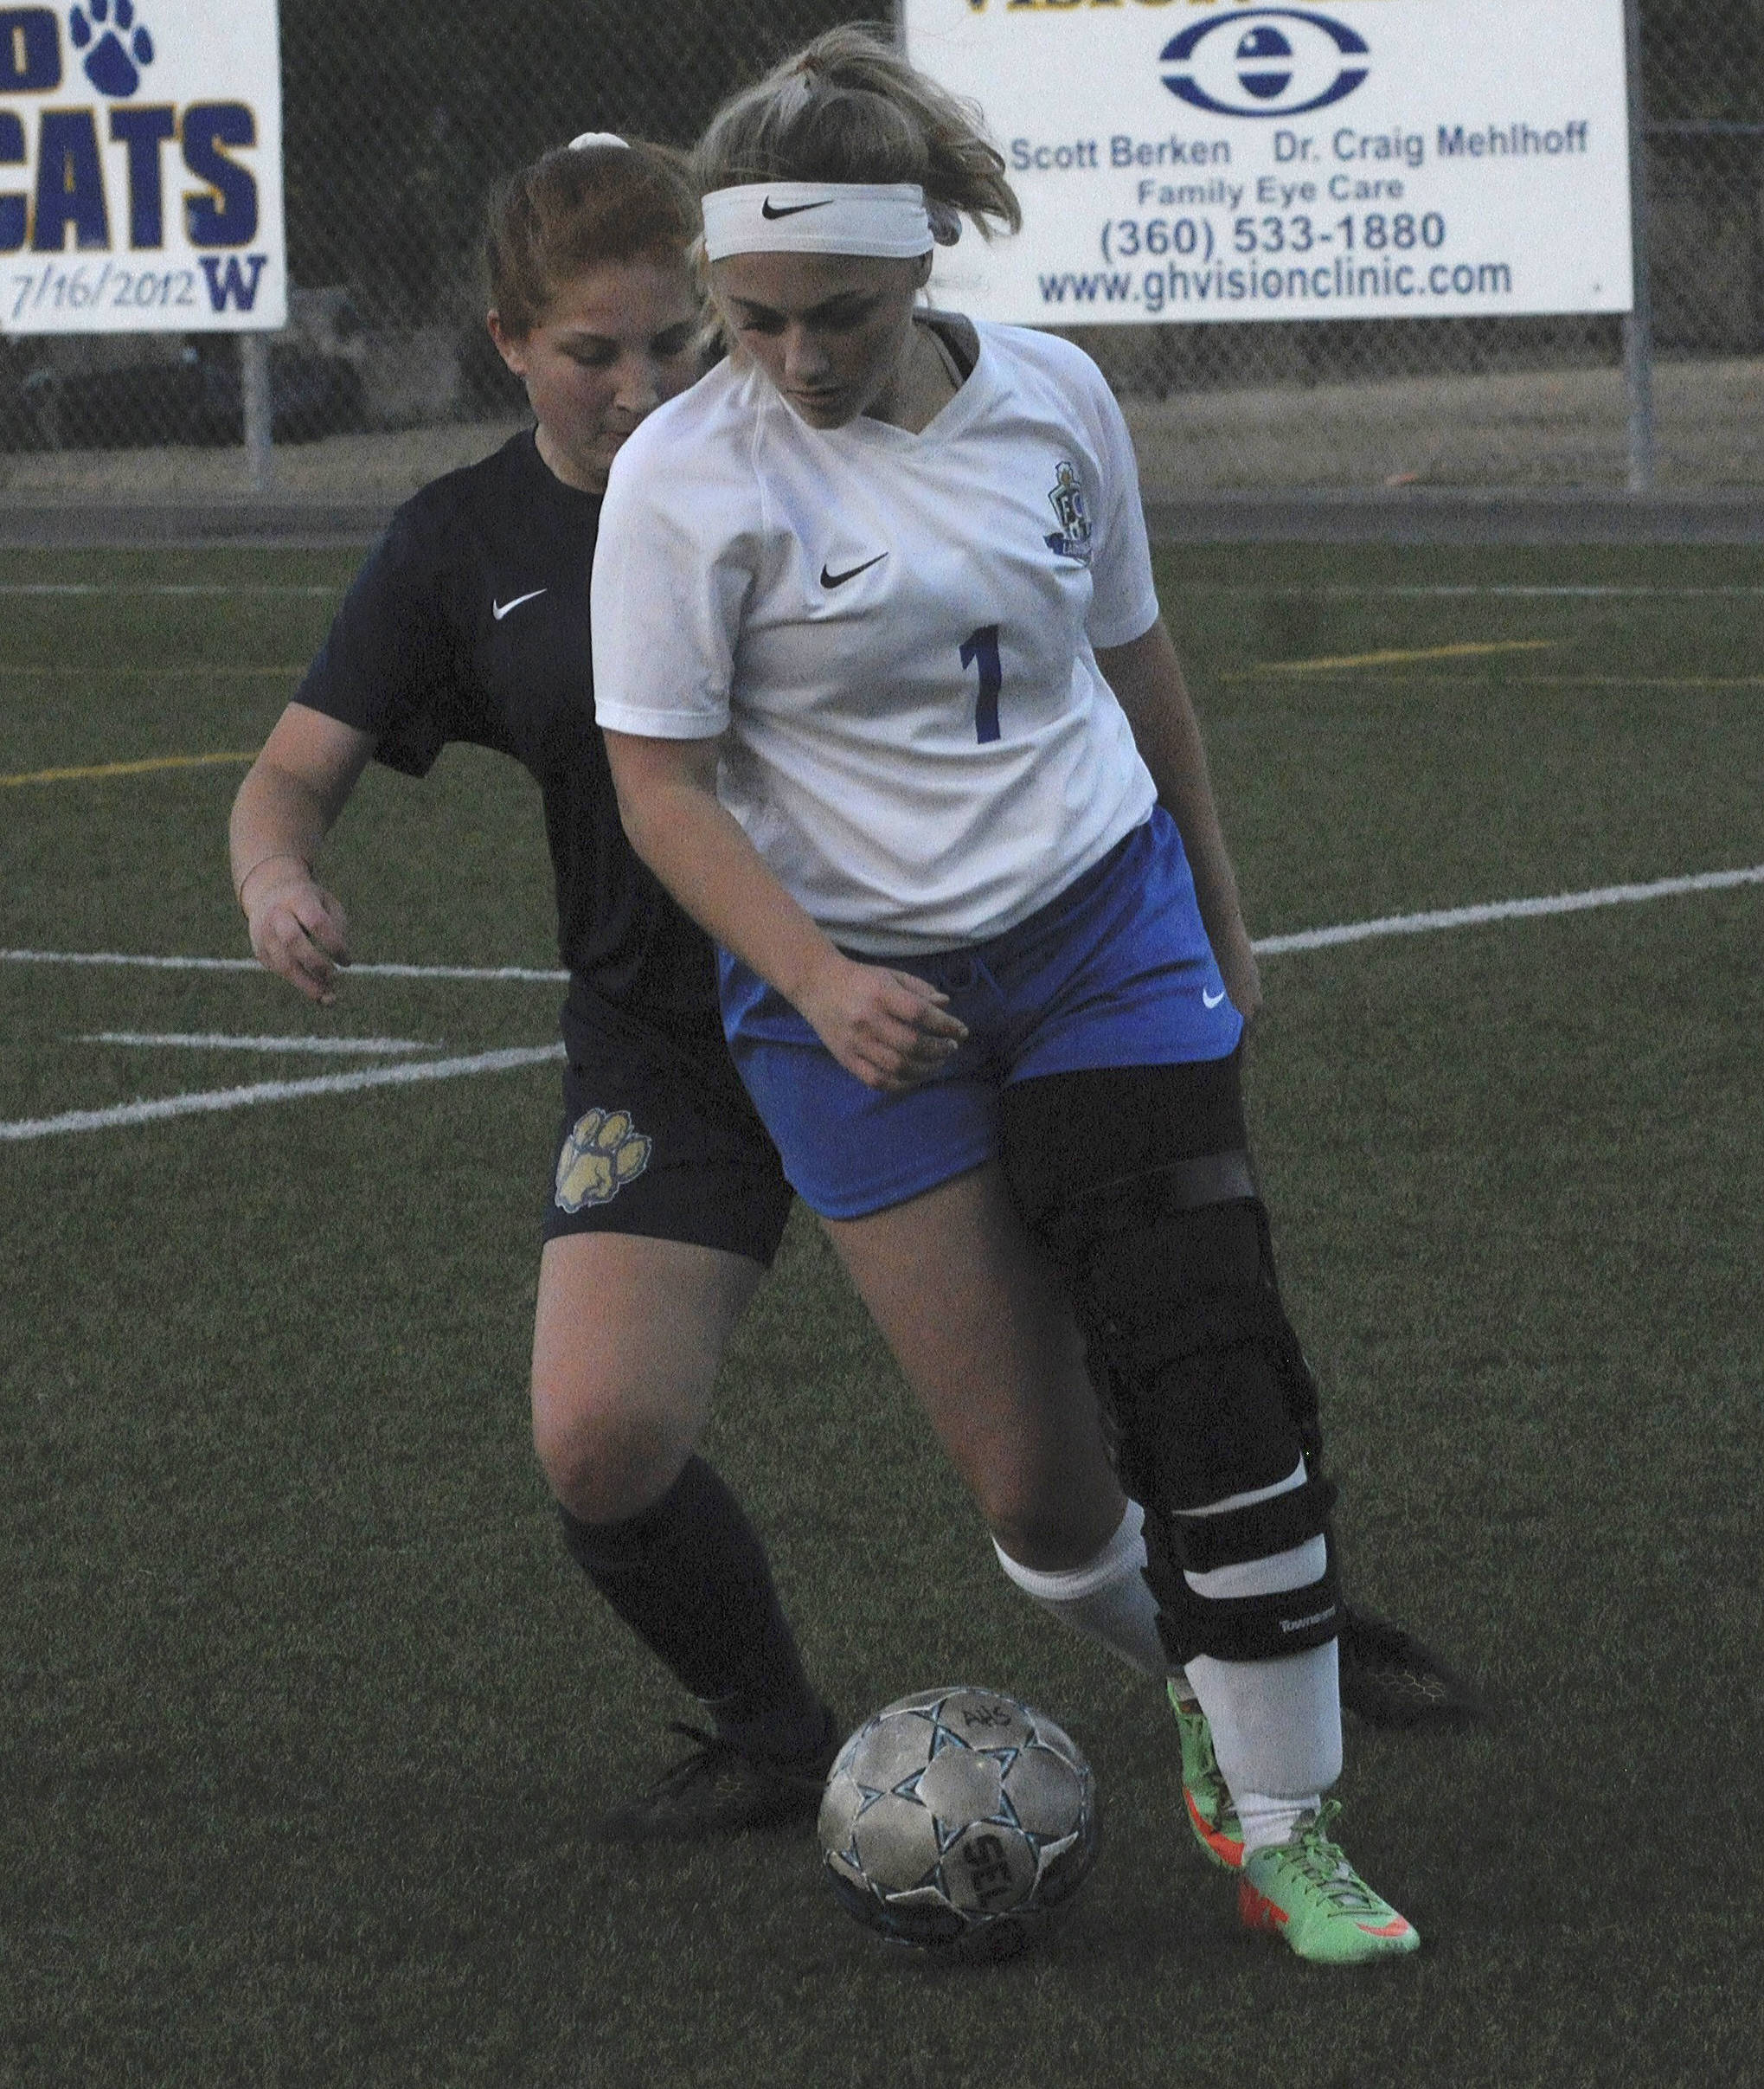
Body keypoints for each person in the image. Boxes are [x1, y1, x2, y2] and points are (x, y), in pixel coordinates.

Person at [593, 29, 1422, 1963]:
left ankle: (1286, 1815)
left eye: (844, 314)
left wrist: (1219, 919)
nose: (797, 355)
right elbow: (657, 784)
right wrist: (819, 971)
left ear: (929, 263)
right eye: (757, 313)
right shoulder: (682, 478)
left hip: (1095, 927)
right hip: (846, 1005)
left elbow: (1140, 671)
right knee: (1050, 1500)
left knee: (1209, 1353)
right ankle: (1208, 1672)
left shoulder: (1054, 399)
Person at [227, 136, 839, 1837]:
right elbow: (288, 776)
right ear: (508, 338)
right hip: (670, 1041)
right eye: (593, 354)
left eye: (677, 345)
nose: (642, 389)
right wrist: (279, 876)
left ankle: (1270, 1653)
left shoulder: (815, 464)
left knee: (1080, 1418)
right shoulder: (463, 541)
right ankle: (774, 1728)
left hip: (900, 1003)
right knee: (598, 1447)